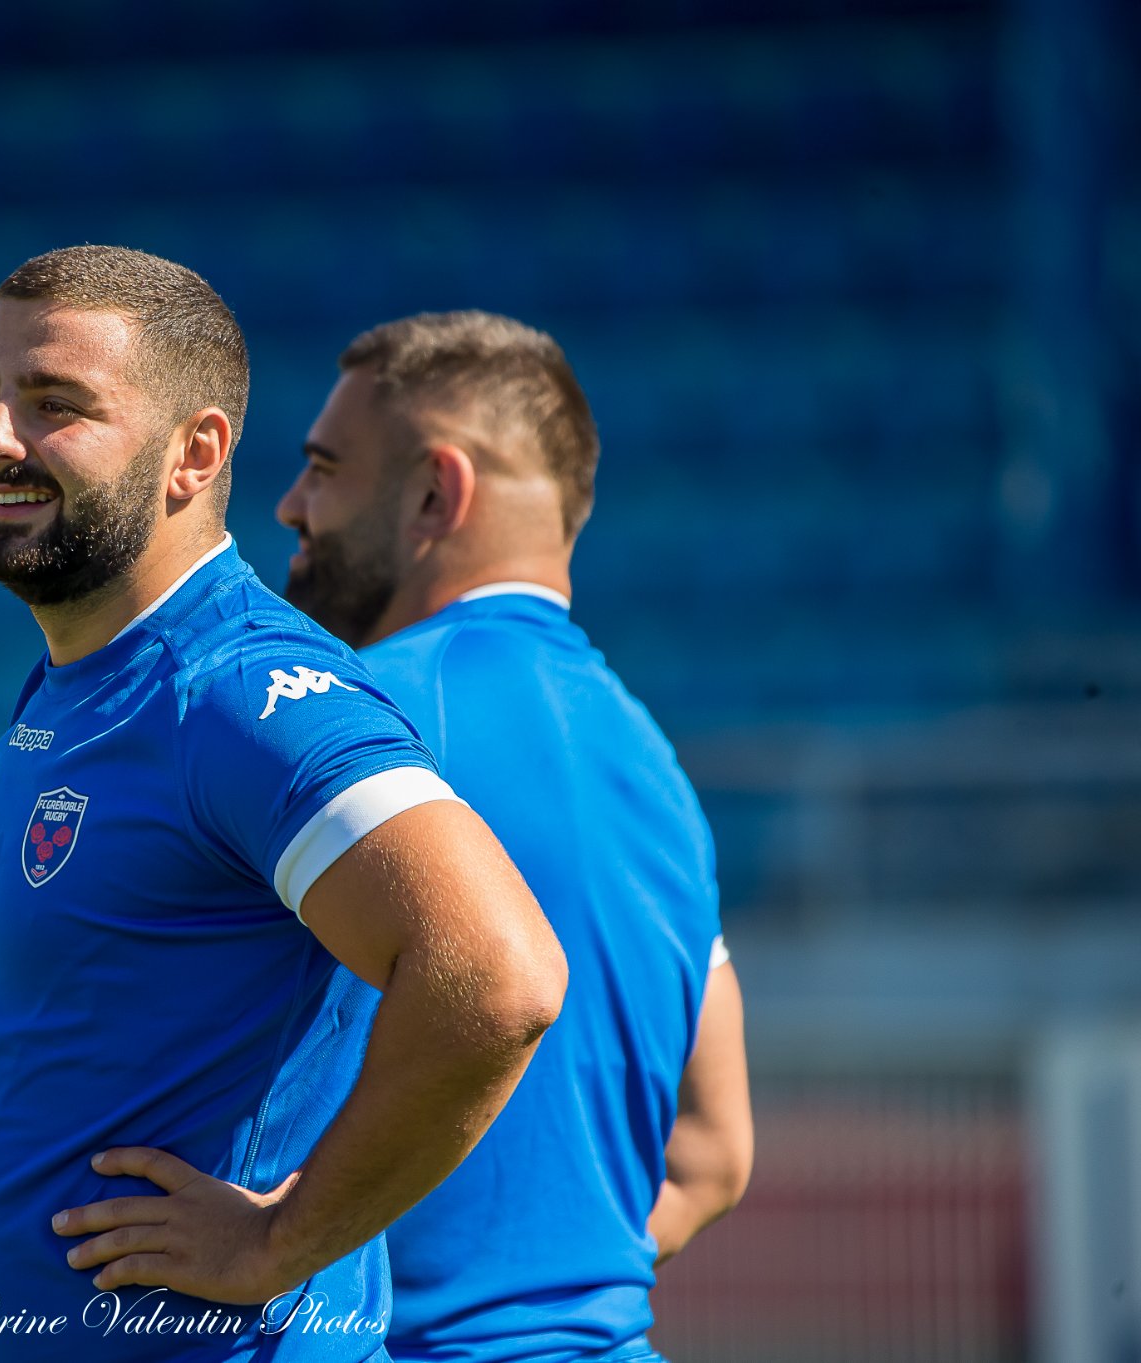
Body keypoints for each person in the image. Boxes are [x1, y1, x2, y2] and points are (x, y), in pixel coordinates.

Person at [0, 247, 568, 1363]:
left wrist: (279, 1241)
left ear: (195, 453)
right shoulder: (80, 683)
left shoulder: (237, 687)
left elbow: (497, 975)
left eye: (54, 406)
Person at [275, 310, 754, 1362]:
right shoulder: (661, 771)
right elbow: (714, 1154)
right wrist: (546, 1301)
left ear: (434, 493)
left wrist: (272, 1244)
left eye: (323, 468)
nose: (290, 504)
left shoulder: (343, 721)